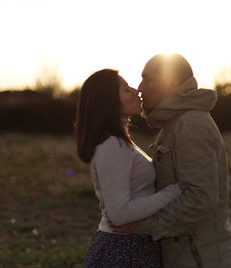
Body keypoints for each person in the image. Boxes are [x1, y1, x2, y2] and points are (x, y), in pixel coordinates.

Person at [110, 54, 231, 268]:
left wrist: (145, 226)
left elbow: (199, 197)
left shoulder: (190, 124)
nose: (140, 87)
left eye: (148, 79)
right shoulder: (174, 124)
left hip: (200, 258)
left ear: (172, 81)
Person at [75, 69, 182, 267]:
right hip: (123, 249)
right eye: (126, 89)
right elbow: (119, 213)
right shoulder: (112, 145)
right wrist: (173, 192)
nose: (135, 91)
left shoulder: (120, 141)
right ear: (109, 102)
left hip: (133, 243)